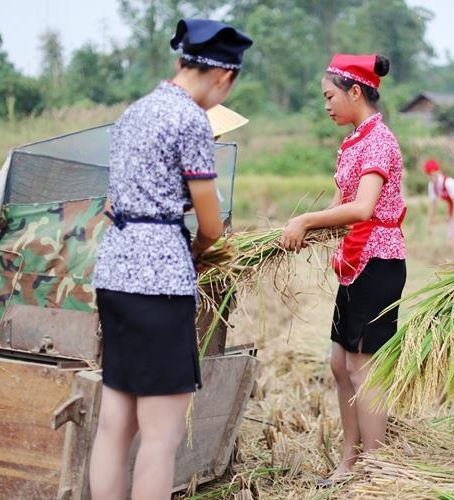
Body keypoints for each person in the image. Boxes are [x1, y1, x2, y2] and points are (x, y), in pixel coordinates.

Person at [89, 19, 252, 500]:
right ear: (224, 77)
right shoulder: (190, 120)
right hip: (159, 280)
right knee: (161, 435)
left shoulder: (134, 112)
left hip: (115, 273)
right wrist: (203, 249)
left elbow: (115, 199)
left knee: (115, 424)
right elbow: (211, 223)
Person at [281, 53, 406, 486]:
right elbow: (340, 206)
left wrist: (306, 221)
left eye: (331, 96)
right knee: (339, 363)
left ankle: (376, 468)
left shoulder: (379, 140)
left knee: (362, 365)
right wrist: (301, 233)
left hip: (380, 260)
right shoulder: (353, 141)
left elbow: (364, 206)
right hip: (355, 262)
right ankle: (349, 461)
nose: (327, 105)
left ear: (356, 92)